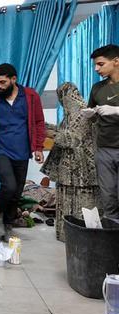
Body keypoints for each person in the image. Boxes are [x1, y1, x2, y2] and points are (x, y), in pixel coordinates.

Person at [0, 63, 46, 241]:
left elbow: (38, 122)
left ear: (14, 79)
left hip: (22, 151)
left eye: (3, 82)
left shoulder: (30, 96)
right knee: (9, 185)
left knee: (17, 192)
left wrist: (38, 147)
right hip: (0, 150)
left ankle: (7, 224)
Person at [41, 83, 98, 241]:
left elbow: (71, 139)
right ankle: (69, 235)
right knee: (68, 200)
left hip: (81, 170)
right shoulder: (72, 115)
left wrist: (48, 132)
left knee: (81, 202)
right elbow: (66, 133)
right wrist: (46, 127)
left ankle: (79, 236)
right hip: (70, 169)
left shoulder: (82, 114)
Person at [83, 45, 119, 224]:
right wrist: (89, 114)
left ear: (116, 61)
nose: (97, 69)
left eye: (101, 64)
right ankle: (112, 233)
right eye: (95, 65)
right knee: (108, 195)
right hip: (104, 148)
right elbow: (92, 114)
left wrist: (116, 110)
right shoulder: (97, 88)